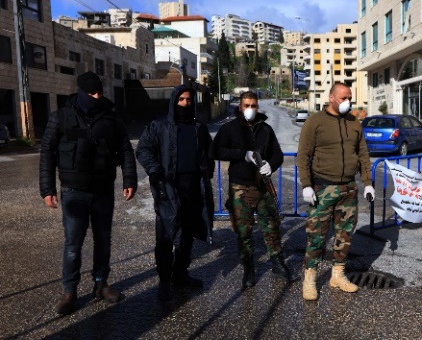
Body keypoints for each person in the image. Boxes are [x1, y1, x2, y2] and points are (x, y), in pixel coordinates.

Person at [39, 71, 137, 315]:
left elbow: (125, 149)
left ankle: (101, 284)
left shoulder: (111, 118)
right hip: (74, 192)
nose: (97, 96)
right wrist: (47, 189)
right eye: (91, 93)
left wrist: (130, 179)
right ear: (81, 92)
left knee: (103, 241)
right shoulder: (61, 117)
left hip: (103, 190)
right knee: (73, 245)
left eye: (99, 92)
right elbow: (47, 154)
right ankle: (69, 292)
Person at [296, 83, 375, 301]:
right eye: (343, 98)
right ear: (331, 98)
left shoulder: (354, 122)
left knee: (344, 235)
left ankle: (337, 275)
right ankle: (310, 278)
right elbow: (303, 155)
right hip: (322, 187)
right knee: (316, 236)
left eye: (350, 97)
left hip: (348, 188)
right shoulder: (315, 122)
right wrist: (306, 185)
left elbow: (362, 154)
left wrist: (367, 182)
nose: (347, 102)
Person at [136, 85, 215, 301]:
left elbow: (208, 153)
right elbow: (143, 149)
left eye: (189, 100)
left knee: (187, 235)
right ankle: (164, 280)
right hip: (168, 189)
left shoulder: (199, 127)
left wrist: (207, 170)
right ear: (174, 101)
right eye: (181, 100)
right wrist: (156, 171)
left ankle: (181, 274)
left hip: (193, 189)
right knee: (165, 236)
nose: (186, 104)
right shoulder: (160, 125)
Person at [209, 91, 292, 289]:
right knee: (243, 231)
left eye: (253, 105)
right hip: (240, 187)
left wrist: (271, 165)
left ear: (258, 107)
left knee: (271, 226)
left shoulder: (266, 130)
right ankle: (249, 268)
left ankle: (277, 263)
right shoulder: (229, 128)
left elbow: (278, 155)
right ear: (240, 107)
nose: (250, 109)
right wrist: (241, 155)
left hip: (262, 186)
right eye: (246, 105)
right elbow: (215, 151)